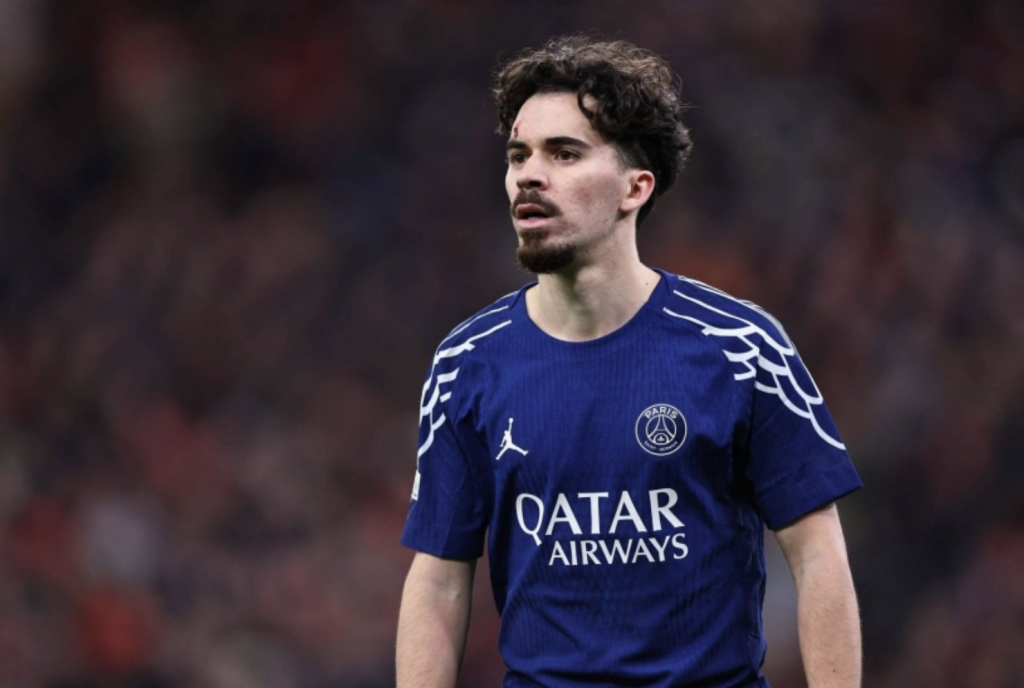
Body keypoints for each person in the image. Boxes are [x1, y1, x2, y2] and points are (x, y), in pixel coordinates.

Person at [396, 35, 862, 688]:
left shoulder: (741, 347)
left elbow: (816, 555)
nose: (529, 175)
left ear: (634, 188)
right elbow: (440, 579)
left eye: (564, 153)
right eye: (519, 155)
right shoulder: (466, 365)